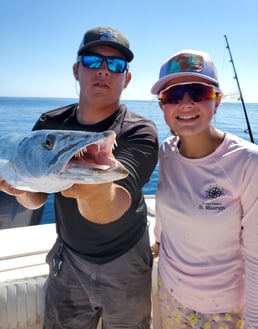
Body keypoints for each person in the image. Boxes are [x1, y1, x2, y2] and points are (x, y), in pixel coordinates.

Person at [0, 26, 159, 328]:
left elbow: (113, 206)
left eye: (115, 64)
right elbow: (35, 198)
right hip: (68, 257)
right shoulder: (50, 122)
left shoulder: (139, 131)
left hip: (126, 259)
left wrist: (88, 188)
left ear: (127, 77)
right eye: (92, 61)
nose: (103, 70)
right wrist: (17, 186)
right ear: (77, 70)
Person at [150, 49, 258, 329]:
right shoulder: (166, 152)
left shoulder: (249, 162)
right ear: (163, 106)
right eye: (173, 96)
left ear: (217, 101)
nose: (185, 104)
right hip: (171, 294)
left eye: (197, 92)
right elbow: (166, 201)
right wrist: (159, 239)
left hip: (224, 310)